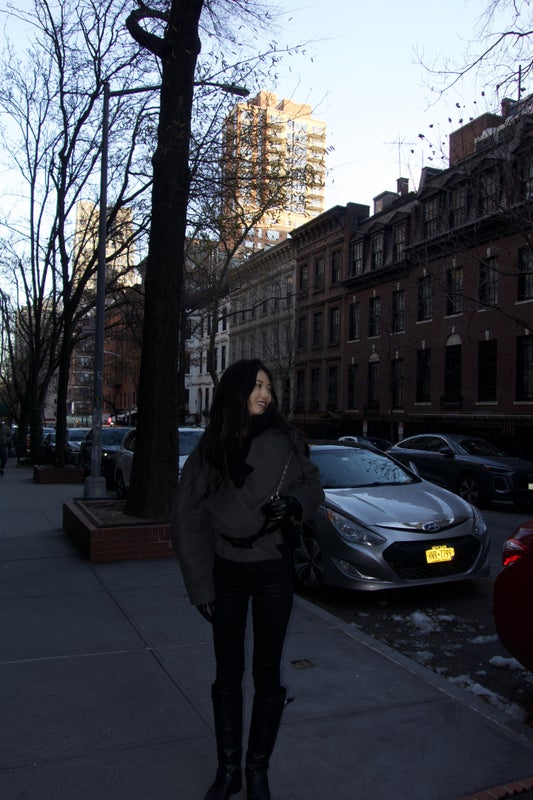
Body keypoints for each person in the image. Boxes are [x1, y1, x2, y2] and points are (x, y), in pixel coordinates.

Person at [171, 359, 324, 800]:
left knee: (267, 675)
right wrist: (201, 586)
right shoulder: (211, 448)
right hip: (226, 570)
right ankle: (228, 771)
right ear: (236, 391)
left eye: (268, 388)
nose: (265, 395)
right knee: (227, 675)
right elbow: (187, 519)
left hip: (272, 567)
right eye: (257, 386)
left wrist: (294, 505)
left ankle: (257, 772)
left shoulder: (287, 440)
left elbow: (312, 487)